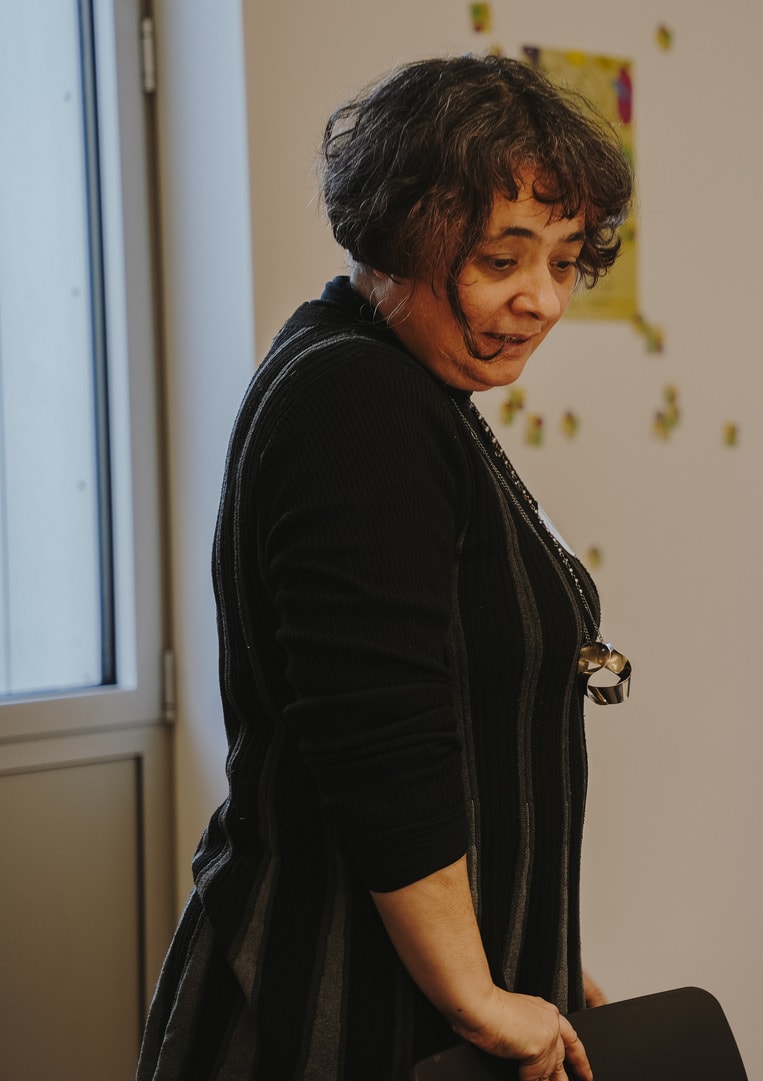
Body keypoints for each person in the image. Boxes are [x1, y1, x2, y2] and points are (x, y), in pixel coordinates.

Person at [137, 55, 633, 1081]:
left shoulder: (402, 383)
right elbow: (384, 745)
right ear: (406, 233)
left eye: (563, 259)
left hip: (426, 989)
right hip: (334, 1007)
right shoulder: (354, 402)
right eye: (503, 259)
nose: (539, 299)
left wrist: (541, 955)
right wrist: (476, 992)